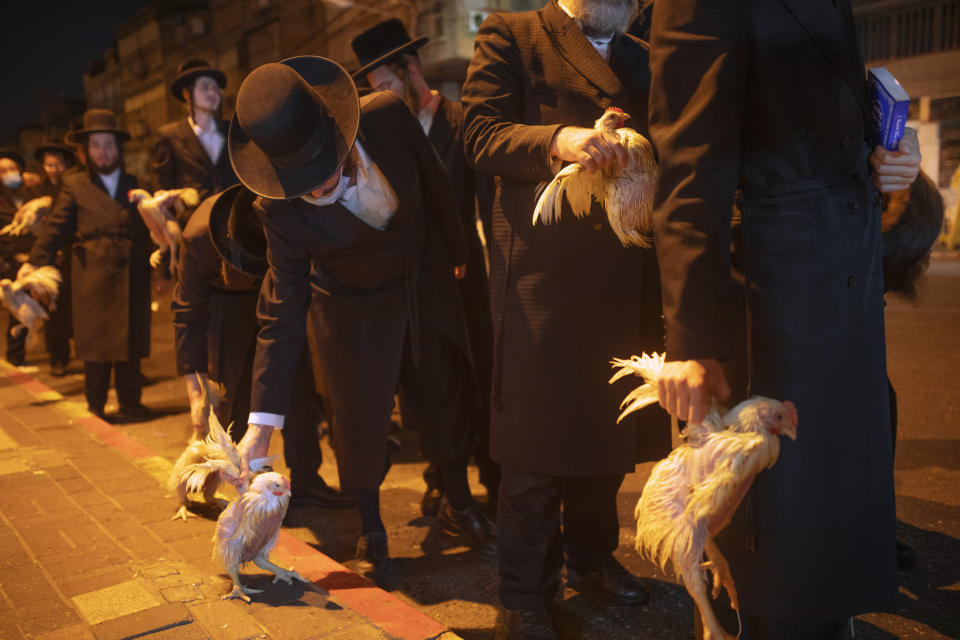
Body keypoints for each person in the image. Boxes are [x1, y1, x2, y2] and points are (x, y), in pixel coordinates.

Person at [646, 1, 922, 637]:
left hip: (838, 276)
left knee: (825, 531)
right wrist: (694, 339)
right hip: (777, 294)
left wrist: (889, 156)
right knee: (777, 530)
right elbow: (689, 169)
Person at [226, 56, 496, 589]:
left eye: (324, 169)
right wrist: (262, 425)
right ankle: (371, 527)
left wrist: (457, 252)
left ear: (341, 133)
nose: (319, 188)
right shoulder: (274, 211)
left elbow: (438, 185)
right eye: (304, 183)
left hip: (418, 280)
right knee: (359, 426)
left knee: (443, 399)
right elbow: (282, 314)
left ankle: (458, 500)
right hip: (347, 307)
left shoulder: (389, 115)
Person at [460, 1, 670, 637]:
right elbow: (478, 135)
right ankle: (521, 594)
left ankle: (591, 558)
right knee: (536, 445)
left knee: (607, 436)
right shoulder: (514, 33)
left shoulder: (639, 55)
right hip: (541, 280)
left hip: (624, 273)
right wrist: (558, 139)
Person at [350, 18, 499, 517]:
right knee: (433, 388)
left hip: (468, 276)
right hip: (417, 283)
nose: (383, 101)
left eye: (387, 87)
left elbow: (485, 205)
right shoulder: (384, 139)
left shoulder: (461, 122)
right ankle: (446, 481)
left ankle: (495, 484)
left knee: (481, 380)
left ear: (410, 70)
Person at [172, 183, 351, 510]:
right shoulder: (197, 238)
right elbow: (187, 314)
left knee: (294, 380)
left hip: (279, 292)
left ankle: (307, 479)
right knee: (226, 396)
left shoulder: (279, 209)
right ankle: (230, 483)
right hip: (224, 305)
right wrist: (195, 393)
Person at [24, 109, 154, 422]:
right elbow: (55, 229)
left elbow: (153, 229)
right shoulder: (74, 185)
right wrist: (32, 265)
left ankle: (131, 403)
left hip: (132, 270)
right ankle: (96, 406)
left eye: (109, 145)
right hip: (92, 275)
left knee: (130, 342)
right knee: (96, 345)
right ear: (85, 153)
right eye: (96, 145)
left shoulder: (135, 184)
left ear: (118, 149)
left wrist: (162, 269)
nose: (103, 152)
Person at [154, 58, 237, 221]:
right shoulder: (169, 135)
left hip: (234, 218)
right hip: (194, 224)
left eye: (215, 88)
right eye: (205, 87)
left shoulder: (232, 130)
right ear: (186, 93)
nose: (212, 93)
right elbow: (163, 186)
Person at [25, 141, 76, 375]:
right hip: (47, 260)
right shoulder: (36, 191)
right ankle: (58, 357)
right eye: (49, 165)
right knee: (51, 310)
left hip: (71, 256)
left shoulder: (72, 188)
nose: (54, 169)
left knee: (73, 308)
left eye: (59, 165)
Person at [0, 147, 35, 367]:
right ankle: (15, 356)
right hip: (9, 263)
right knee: (17, 310)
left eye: (12, 168)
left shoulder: (31, 194)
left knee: (34, 307)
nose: (8, 174)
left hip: (33, 261)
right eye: (3, 170)